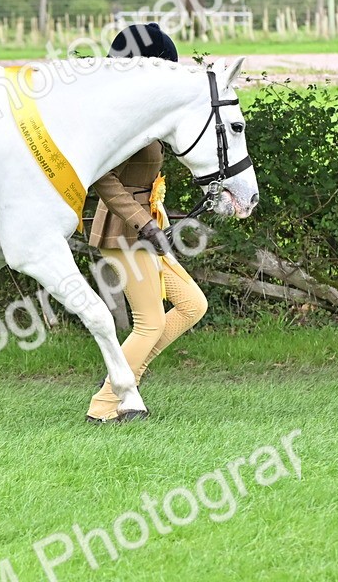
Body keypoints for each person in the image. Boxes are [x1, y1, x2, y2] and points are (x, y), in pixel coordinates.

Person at [86, 23, 208, 424]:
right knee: (149, 323)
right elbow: (103, 178)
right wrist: (145, 224)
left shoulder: (145, 113)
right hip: (124, 232)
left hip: (146, 228)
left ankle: (128, 382)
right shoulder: (119, 119)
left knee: (192, 305)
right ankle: (105, 405)